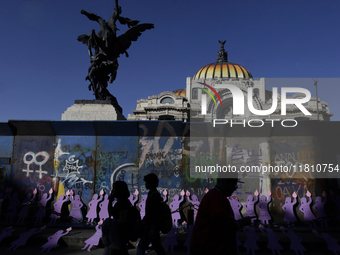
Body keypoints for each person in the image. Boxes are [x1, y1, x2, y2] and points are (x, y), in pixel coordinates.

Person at [190, 176, 252, 255]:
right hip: (210, 249)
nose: (234, 189)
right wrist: (241, 223)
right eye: (234, 186)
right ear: (226, 183)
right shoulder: (216, 199)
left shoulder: (216, 196)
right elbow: (221, 226)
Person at [102, 181, 139, 255]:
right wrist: (110, 201)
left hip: (120, 234)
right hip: (119, 234)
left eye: (114, 189)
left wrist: (110, 222)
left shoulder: (123, 203)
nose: (112, 190)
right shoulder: (121, 202)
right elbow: (111, 213)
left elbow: (122, 220)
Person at [136, 173, 166, 255]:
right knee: (157, 247)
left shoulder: (154, 195)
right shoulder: (153, 194)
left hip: (151, 226)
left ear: (150, 183)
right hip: (151, 226)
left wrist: (152, 227)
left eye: (146, 182)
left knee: (142, 246)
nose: (145, 184)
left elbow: (154, 213)